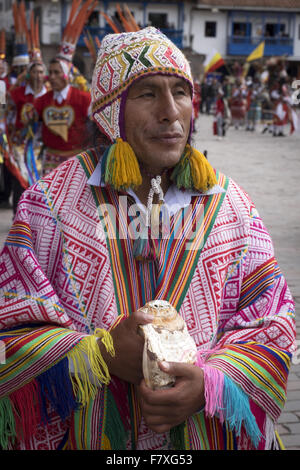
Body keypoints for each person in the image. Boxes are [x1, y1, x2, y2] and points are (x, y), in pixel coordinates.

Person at [0, 27, 296, 451]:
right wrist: (98, 356)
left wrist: (210, 385)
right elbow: (10, 328)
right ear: (109, 112)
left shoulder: (233, 206)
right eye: (146, 94)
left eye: (180, 91)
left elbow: (273, 323)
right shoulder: (48, 206)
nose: (170, 111)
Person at [34, 58, 91, 175]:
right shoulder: (41, 101)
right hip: (51, 159)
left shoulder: (84, 98)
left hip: (76, 159)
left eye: (56, 72)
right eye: (50, 72)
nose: (52, 77)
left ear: (66, 74)